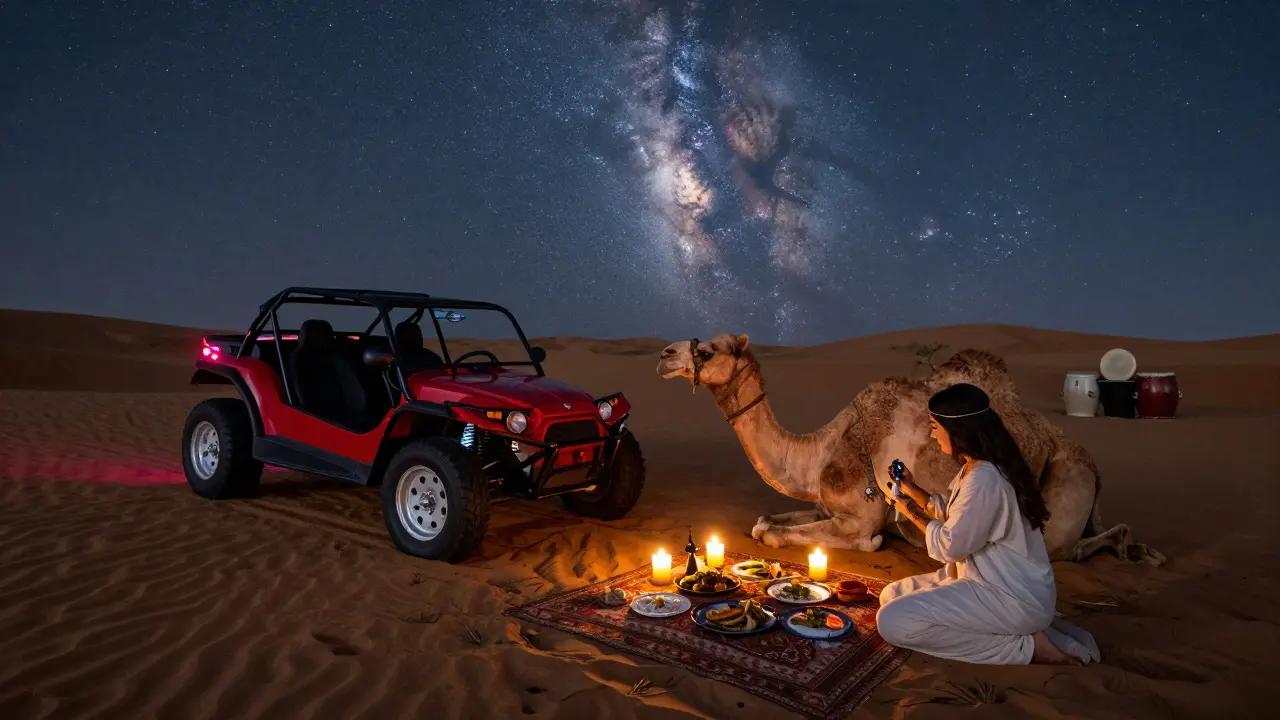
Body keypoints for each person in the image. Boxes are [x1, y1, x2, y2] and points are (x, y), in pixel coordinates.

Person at [875, 383, 1100, 665]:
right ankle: (1032, 633)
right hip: (984, 581)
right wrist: (913, 491)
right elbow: (966, 516)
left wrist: (908, 511)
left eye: (935, 426)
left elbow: (951, 545)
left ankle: (1028, 647)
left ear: (957, 431)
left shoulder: (985, 478)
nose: (932, 434)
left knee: (893, 622)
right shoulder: (980, 467)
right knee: (890, 595)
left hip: (1007, 596)